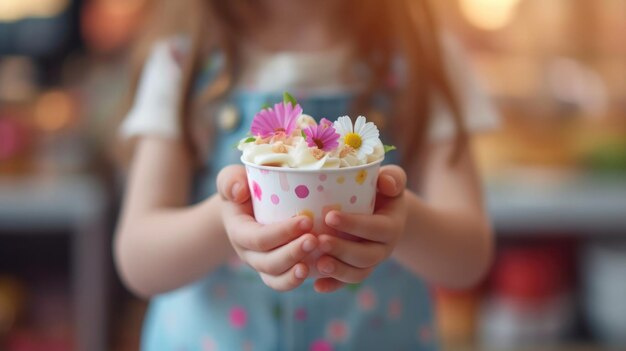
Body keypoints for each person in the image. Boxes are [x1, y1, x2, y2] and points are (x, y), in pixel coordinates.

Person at [113, 0, 498, 350]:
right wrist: (227, 220)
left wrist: (402, 219)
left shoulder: (424, 61)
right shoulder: (183, 64)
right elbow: (139, 260)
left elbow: (469, 258)